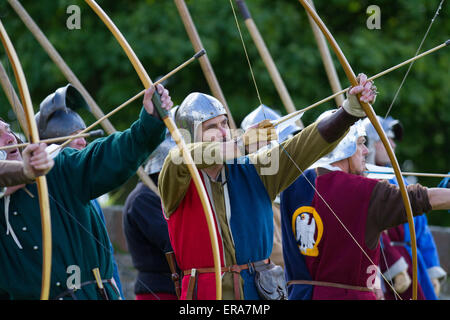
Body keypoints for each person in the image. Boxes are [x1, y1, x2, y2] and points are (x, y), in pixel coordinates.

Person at [158, 73, 378, 300]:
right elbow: (184, 155)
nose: (223, 132)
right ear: (193, 136)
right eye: (211, 127)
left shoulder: (253, 169)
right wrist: (241, 144)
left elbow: (302, 146)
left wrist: (348, 112)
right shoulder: (178, 171)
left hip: (260, 293)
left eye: (224, 123)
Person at [0, 83, 172, 299]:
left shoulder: (59, 168)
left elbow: (108, 155)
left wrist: (148, 123)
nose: (8, 138)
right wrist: (23, 171)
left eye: (7, 130)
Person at [280, 112, 450, 300]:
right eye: (360, 143)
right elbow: (422, 198)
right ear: (343, 145)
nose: (366, 150)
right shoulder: (362, 191)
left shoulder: (291, 186)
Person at [35, 83, 124, 298]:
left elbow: (107, 254)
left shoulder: (86, 187)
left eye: (84, 134)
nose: (83, 141)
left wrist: (116, 291)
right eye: (75, 134)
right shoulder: (37, 189)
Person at [364, 116, 447, 300]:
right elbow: (372, 233)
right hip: (382, 268)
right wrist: (394, 266)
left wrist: (431, 268)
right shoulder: (363, 185)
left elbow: (421, 230)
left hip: (414, 263)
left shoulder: (398, 181)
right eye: (385, 139)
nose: (392, 145)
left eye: (392, 140)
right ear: (370, 142)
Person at [123, 109, 180, 300]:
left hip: (176, 287)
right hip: (159, 291)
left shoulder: (166, 194)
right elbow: (172, 242)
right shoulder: (144, 198)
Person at [240, 104, 302, 268]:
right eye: (285, 141)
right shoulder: (254, 191)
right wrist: (306, 266)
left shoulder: (291, 185)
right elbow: (273, 251)